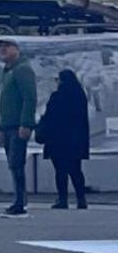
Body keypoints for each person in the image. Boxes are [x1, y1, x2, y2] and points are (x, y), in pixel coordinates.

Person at [0, 38, 37, 217]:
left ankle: (20, 203)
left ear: (16, 49)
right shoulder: (6, 72)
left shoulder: (22, 70)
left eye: (7, 47)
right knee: (13, 164)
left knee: (16, 163)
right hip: (7, 127)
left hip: (17, 126)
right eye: (1, 48)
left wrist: (26, 124)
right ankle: (19, 200)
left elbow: (29, 98)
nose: (3, 50)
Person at [38, 68, 90, 210]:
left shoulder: (57, 96)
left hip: (58, 140)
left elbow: (50, 117)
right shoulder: (80, 96)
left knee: (60, 171)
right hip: (75, 140)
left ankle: (63, 199)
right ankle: (81, 199)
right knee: (76, 170)